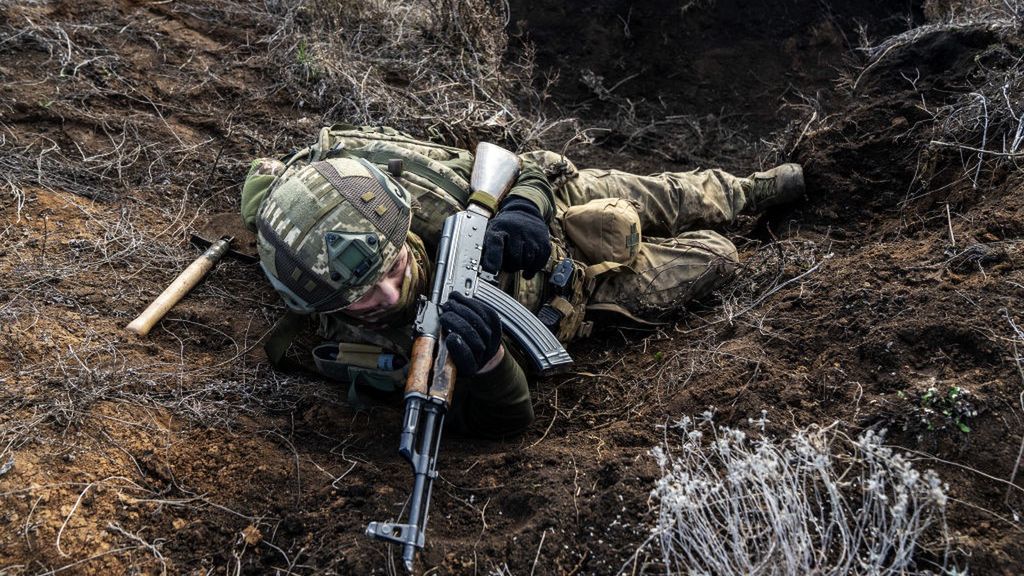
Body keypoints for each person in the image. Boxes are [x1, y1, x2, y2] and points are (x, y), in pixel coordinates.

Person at [240, 125, 804, 437]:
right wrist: (487, 365)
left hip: (557, 211)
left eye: (392, 269)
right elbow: (504, 420)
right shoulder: (346, 346)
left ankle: (754, 189)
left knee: (676, 196)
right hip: (572, 299)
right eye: (361, 296)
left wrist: (525, 207)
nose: (389, 295)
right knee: (717, 257)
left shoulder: (418, 191)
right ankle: (729, 226)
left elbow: (517, 162)